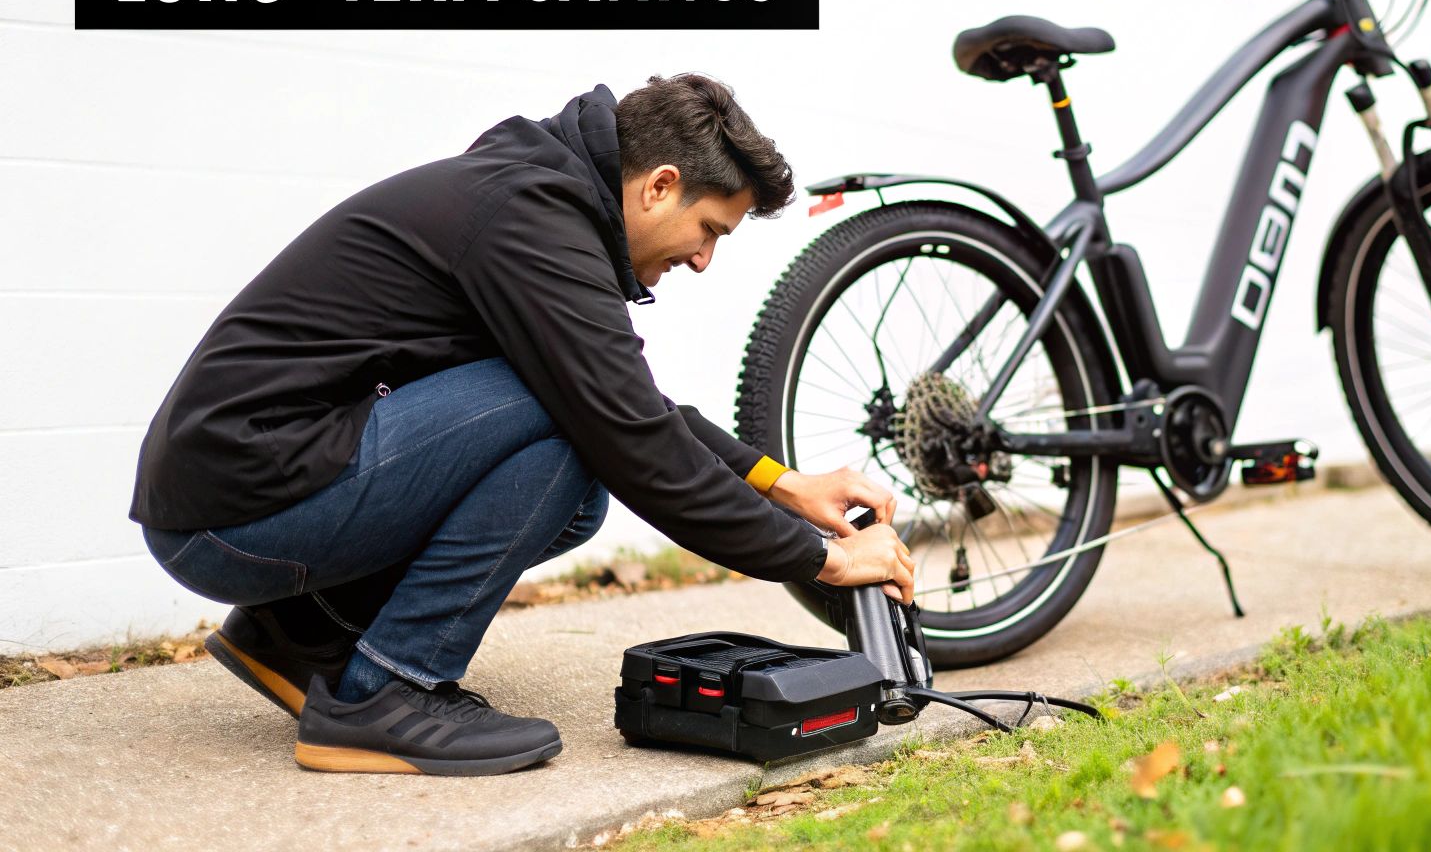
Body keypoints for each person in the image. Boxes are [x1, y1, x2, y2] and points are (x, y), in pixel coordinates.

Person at [129, 75, 915, 777]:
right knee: (572, 425)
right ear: (659, 185)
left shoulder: (533, 199)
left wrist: (782, 485)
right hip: (238, 508)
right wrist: (818, 560)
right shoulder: (530, 215)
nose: (704, 259)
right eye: (709, 228)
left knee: (576, 483)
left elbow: (631, 402)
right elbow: (628, 431)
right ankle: (389, 693)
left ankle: (300, 634)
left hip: (241, 493)